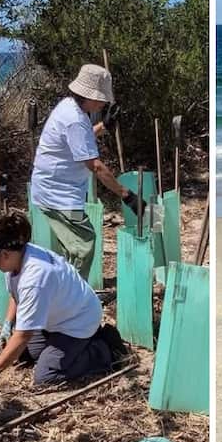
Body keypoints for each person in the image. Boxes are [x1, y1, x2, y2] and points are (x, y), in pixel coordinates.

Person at [0, 212, 125, 394]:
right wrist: (8, 325)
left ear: (5, 254)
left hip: (77, 322)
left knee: (46, 375)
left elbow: (24, 335)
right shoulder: (19, 256)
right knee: (25, 355)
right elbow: (16, 294)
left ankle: (103, 349)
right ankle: (78, 346)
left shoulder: (35, 277)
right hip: (58, 316)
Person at [29, 63, 144, 280]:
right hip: (58, 194)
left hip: (55, 190)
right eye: (101, 99)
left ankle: (64, 290)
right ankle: (73, 296)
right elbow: (95, 166)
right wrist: (126, 195)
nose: (103, 103)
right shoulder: (74, 119)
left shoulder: (69, 107)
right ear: (89, 96)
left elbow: (79, 140)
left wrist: (103, 126)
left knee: (73, 248)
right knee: (84, 244)